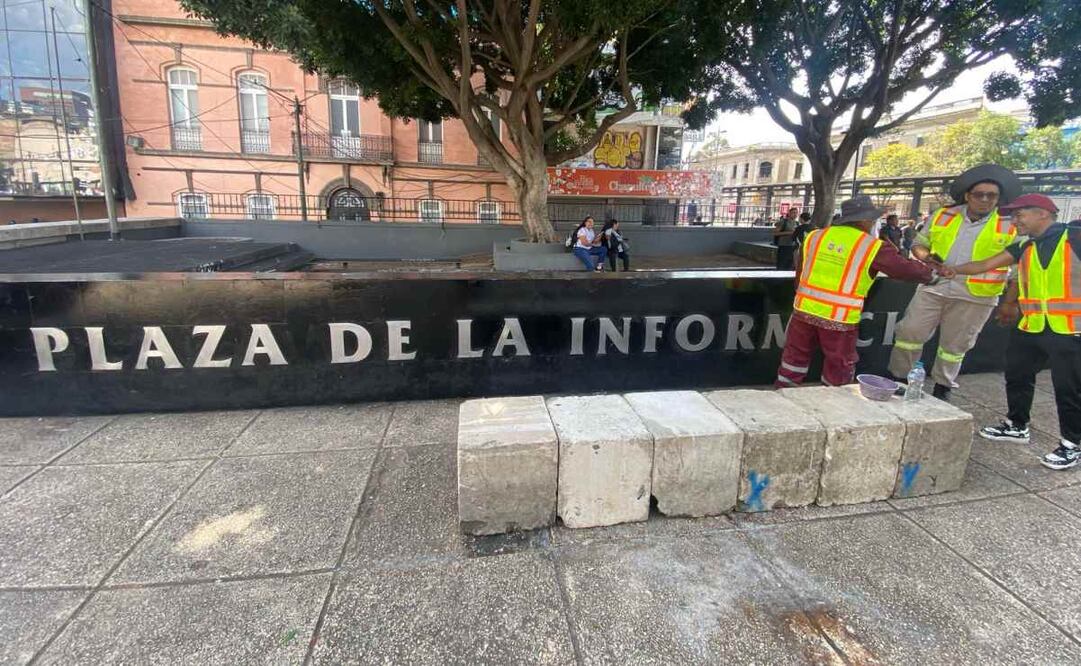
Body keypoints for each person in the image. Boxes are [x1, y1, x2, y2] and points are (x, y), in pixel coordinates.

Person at [945, 194, 1081, 470]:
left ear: (1043, 213)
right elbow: (985, 265)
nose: (1014, 220)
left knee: (1068, 387)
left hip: (1069, 329)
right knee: (1017, 373)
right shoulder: (1025, 246)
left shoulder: (1074, 238)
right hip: (1031, 325)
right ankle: (1017, 425)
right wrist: (951, 270)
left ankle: (1072, 444)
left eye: (1020, 215)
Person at [886, 164, 1021, 401]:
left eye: (992, 196)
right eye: (980, 194)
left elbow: (1018, 268)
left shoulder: (1010, 223)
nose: (986, 200)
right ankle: (899, 379)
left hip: (977, 295)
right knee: (909, 332)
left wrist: (1011, 301)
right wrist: (926, 258)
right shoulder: (944, 214)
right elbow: (919, 243)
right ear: (968, 195)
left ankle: (943, 386)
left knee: (955, 345)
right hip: (934, 285)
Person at [776, 195, 937, 388]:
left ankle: (784, 392)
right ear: (864, 220)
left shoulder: (815, 236)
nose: (873, 223)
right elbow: (905, 269)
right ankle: (835, 403)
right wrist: (931, 274)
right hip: (839, 319)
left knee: (794, 358)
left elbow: (800, 272)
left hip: (803, 312)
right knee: (839, 365)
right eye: (872, 219)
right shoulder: (871, 246)